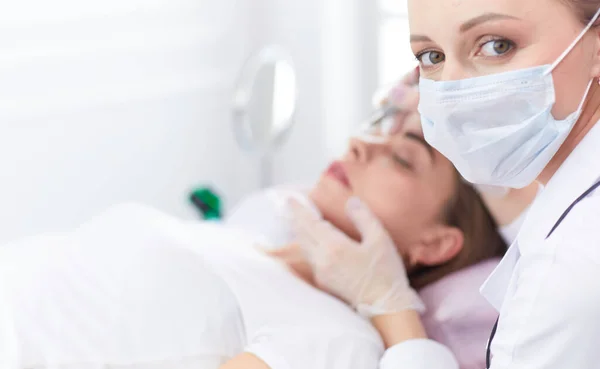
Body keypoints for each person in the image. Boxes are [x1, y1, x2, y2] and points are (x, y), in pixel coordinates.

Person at [0, 113, 518, 369]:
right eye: (380, 127)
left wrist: (386, 306)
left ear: (435, 245)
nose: (361, 143)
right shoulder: (246, 239)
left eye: (403, 158)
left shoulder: (333, 337)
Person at [290, 1, 600, 368]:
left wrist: (389, 306)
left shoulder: (566, 270)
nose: (451, 91)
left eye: (497, 45)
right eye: (430, 56)